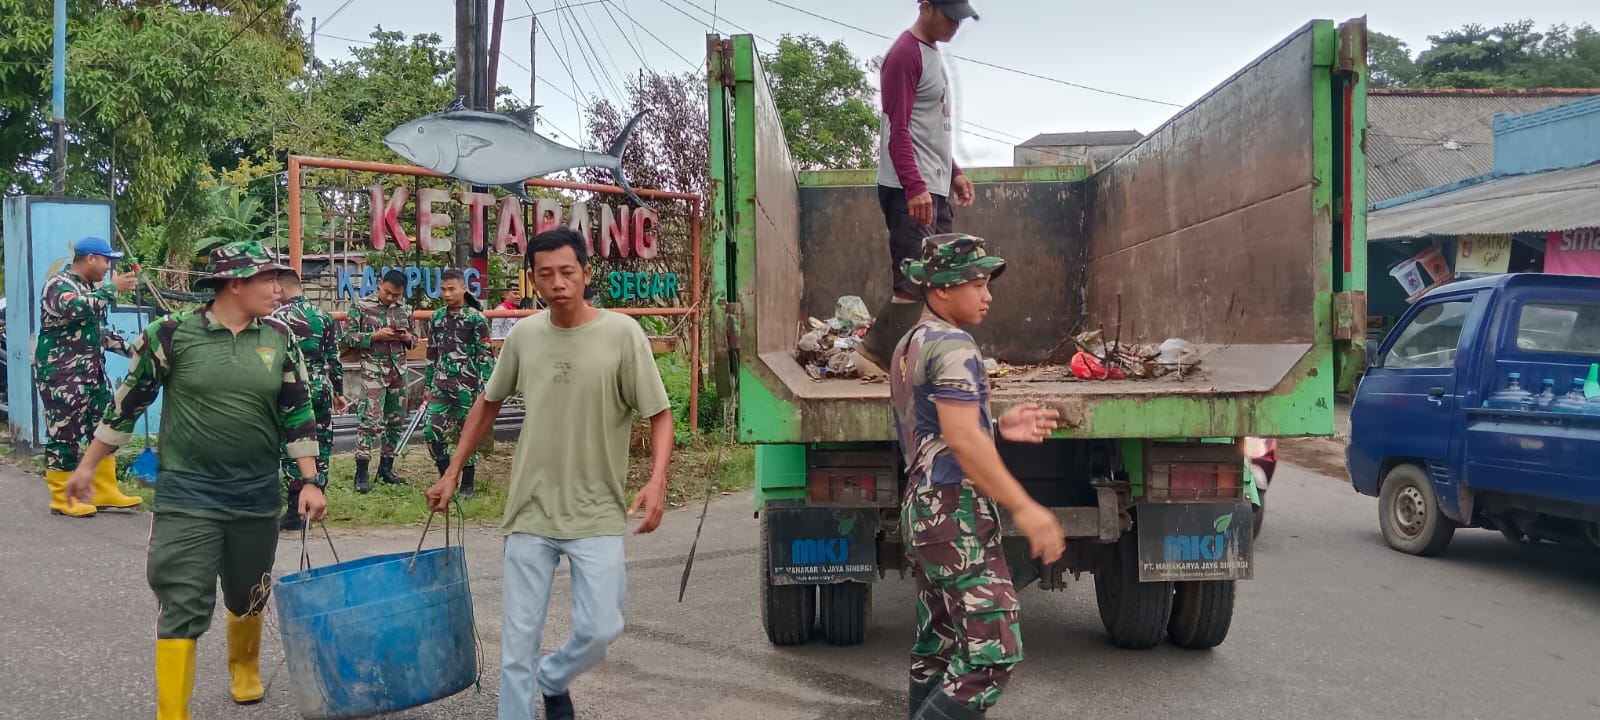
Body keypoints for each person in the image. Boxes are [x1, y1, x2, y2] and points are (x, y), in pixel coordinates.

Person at [64, 240, 326, 720]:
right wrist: (87, 466)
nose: (279, 289)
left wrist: (310, 481)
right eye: (269, 279)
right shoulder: (171, 334)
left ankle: (243, 668)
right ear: (235, 284)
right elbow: (127, 403)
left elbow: (297, 410)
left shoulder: (279, 338)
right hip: (188, 494)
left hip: (256, 493)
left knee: (251, 588)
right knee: (182, 597)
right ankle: (172, 713)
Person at [426, 227, 673, 720]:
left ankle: (556, 675)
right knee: (516, 646)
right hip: (529, 511)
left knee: (601, 629)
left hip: (597, 511)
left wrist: (656, 479)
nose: (558, 282)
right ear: (534, 281)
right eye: (545, 274)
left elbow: (659, 413)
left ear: (585, 273)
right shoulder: (523, 336)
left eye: (566, 271)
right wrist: (452, 469)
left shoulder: (622, 335)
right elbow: (487, 403)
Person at [888, 234, 1064, 720]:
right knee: (993, 648)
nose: (988, 296)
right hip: (953, 513)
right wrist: (1028, 508)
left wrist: (997, 426)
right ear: (942, 289)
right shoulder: (953, 344)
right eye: (977, 283)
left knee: (938, 648)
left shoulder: (910, 344)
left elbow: (937, 431)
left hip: (923, 510)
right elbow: (961, 442)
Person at [859, 0, 981, 369]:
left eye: (961, 20)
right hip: (910, 186)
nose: (955, 26)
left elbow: (931, 130)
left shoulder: (931, 54)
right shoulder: (903, 56)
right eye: (950, 17)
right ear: (926, 7)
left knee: (936, 279)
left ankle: (915, 360)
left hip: (934, 183)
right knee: (913, 277)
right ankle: (874, 355)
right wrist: (914, 187)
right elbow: (897, 132)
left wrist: (954, 171)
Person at [33, 235, 141, 517]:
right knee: (64, 434)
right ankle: (63, 497)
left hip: (92, 373)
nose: (108, 267)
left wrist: (135, 352)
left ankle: (104, 489)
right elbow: (72, 307)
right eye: (106, 260)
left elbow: (101, 331)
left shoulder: (87, 288)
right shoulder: (59, 284)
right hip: (62, 376)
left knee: (104, 429)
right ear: (90, 258)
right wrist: (111, 290)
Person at [273, 269, 348, 530]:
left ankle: (296, 507)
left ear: (280, 289)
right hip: (320, 385)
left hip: (292, 385)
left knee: (293, 439)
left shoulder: (276, 319)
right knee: (321, 440)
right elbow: (333, 358)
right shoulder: (324, 317)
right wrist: (338, 392)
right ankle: (318, 496)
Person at [422, 269, 495, 497]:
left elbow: (485, 355)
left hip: (468, 384)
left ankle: (468, 482)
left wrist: (488, 387)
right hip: (441, 384)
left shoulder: (476, 318)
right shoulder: (437, 317)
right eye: (443, 289)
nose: (446, 294)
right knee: (431, 430)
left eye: (451, 289)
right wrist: (427, 384)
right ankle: (446, 476)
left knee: (467, 432)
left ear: (464, 288)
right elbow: (432, 352)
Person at [343, 269, 415, 492]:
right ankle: (361, 472)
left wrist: (405, 337)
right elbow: (348, 337)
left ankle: (386, 468)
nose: (392, 298)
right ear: (380, 285)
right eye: (388, 293)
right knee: (370, 421)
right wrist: (375, 336)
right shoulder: (362, 306)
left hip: (398, 371)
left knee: (396, 421)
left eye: (397, 295)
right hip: (374, 371)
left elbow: (413, 341)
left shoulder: (405, 309)